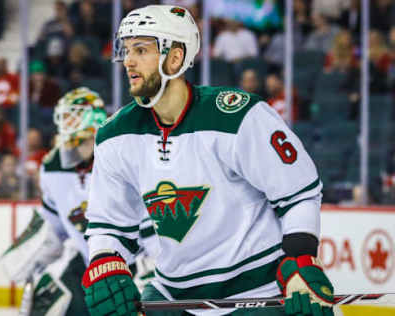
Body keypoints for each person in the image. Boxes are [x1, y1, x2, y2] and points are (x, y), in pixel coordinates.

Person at [82, 5, 335, 316]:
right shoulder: (114, 136)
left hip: (259, 292)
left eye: (141, 49)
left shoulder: (238, 116)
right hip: (172, 293)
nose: (128, 61)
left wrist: (299, 259)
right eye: (126, 50)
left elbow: (298, 193)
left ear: (174, 58)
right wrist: (105, 261)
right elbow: (108, 224)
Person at [0, 87, 158, 316]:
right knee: (46, 302)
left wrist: (154, 268)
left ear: (93, 119)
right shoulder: (52, 166)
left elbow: (148, 222)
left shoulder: (122, 157)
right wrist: (38, 253)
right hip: (86, 262)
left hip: (128, 264)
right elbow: (54, 224)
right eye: (63, 116)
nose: (65, 122)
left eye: (71, 115)